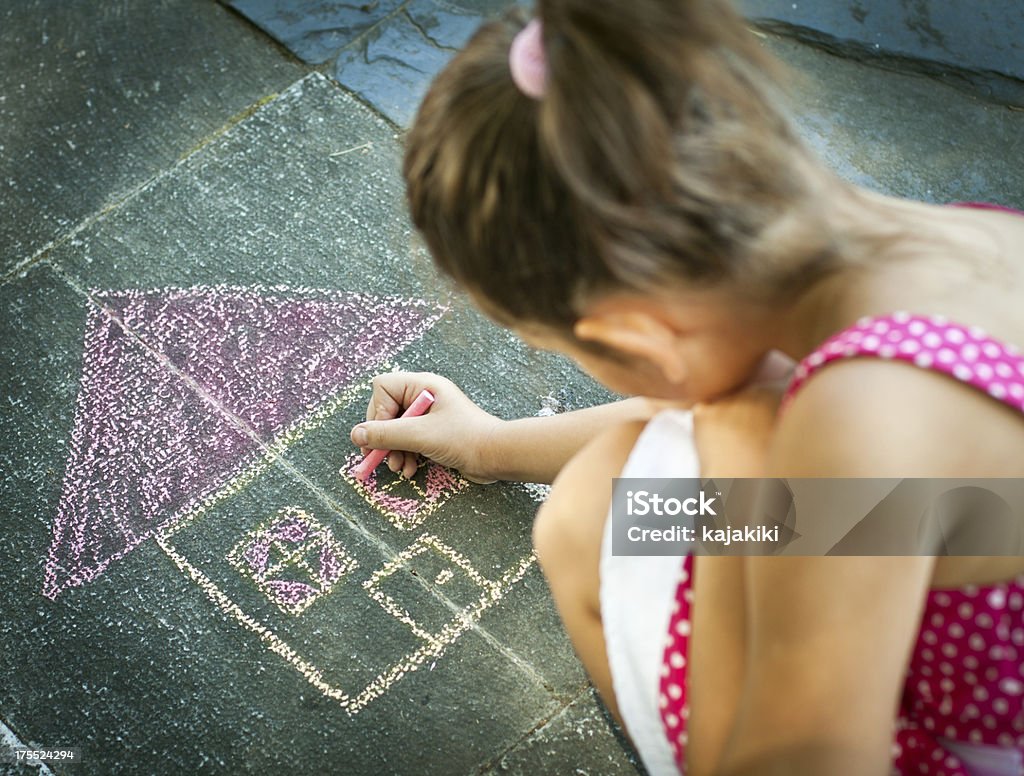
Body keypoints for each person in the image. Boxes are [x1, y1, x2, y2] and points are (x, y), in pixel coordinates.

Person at [347, 1, 1024, 773]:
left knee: (583, 522)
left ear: (641, 339)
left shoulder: (860, 423)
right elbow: (931, 508)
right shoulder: (964, 247)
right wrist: (489, 446)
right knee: (615, 489)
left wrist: (737, 456)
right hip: (972, 545)